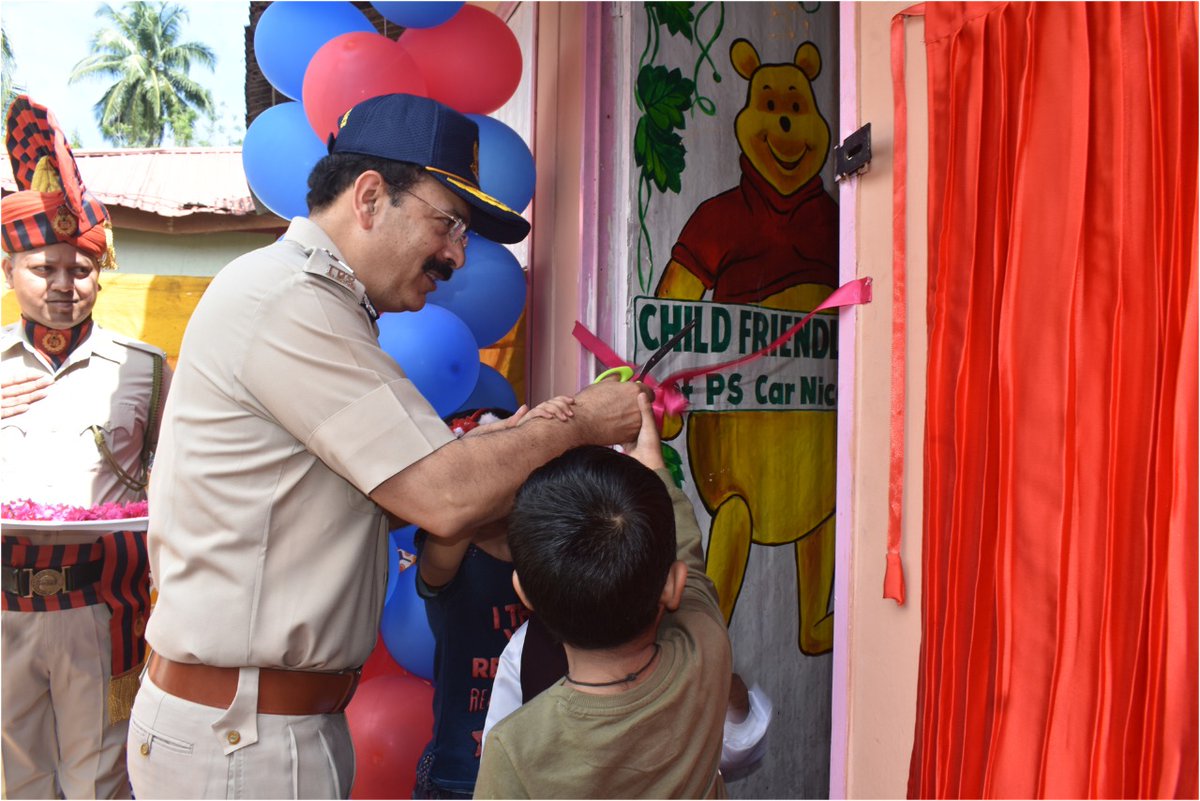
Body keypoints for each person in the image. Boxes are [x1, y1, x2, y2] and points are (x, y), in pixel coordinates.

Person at [126, 93, 647, 800]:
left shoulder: (318, 305)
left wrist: (503, 447)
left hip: (261, 725)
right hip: (243, 738)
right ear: (370, 197)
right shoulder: (292, 301)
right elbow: (443, 495)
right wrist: (580, 423)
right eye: (448, 222)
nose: (457, 254)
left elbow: (388, 496)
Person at [1, 95, 170, 799]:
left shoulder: (144, 367)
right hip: (5, 609)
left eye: (81, 269)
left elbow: (174, 476)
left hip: (104, 610)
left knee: (103, 779)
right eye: (45, 268)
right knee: (17, 781)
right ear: (10, 271)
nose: (64, 286)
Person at [474, 394, 733, 798]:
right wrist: (653, 466)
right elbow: (687, 556)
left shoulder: (516, 748)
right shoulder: (706, 647)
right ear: (672, 585)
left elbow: (683, 563)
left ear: (525, 593)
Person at [411, 400, 572, 800]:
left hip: (546, 773)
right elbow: (456, 507)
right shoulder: (452, 550)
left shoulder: (547, 548)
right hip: (462, 776)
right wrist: (473, 456)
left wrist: (550, 431)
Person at [479, 620, 773, 782]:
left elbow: (728, 757)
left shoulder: (680, 639)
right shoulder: (525, 649)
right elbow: (499, 769)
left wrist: (734, 708)